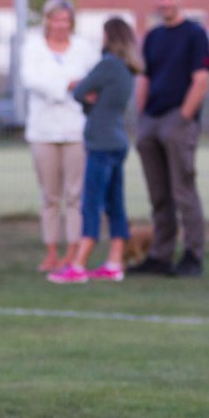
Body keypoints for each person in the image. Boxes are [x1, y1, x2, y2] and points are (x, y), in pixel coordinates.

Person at [129, 0, 209, 278]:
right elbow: (144, 78)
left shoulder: (195, 34)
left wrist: (183, 118)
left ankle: (192, 255)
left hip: (178, 121)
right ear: (155, 1)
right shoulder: (152, 37)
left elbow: (201, 80)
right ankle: (160, 255)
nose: (165, 2)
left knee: (183, 191)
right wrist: (142, 119)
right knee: (159, 195)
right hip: (151, 121)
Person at [48, 18, 143, 284]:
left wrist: (89, 96)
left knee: (91, 204)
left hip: (101, 143)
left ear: (109, 37)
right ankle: (114, 263)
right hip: (118, 141)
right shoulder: (126, 69)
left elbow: (79, 90)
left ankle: (78, 265)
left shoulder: (108, 64)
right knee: (115, 205)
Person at [20, 0, 99, 273]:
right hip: (43, 131)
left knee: (75, 195)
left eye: (66, 19)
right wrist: (68, 85)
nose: (61, 24)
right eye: (56, 18)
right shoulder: (33, 46)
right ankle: (51, 251)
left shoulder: (84, 48)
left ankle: (73, 251)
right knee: (50, 195)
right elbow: (32, 80)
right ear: (47, 20)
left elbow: (93, 80)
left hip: (76, 130)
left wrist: (75, 88)